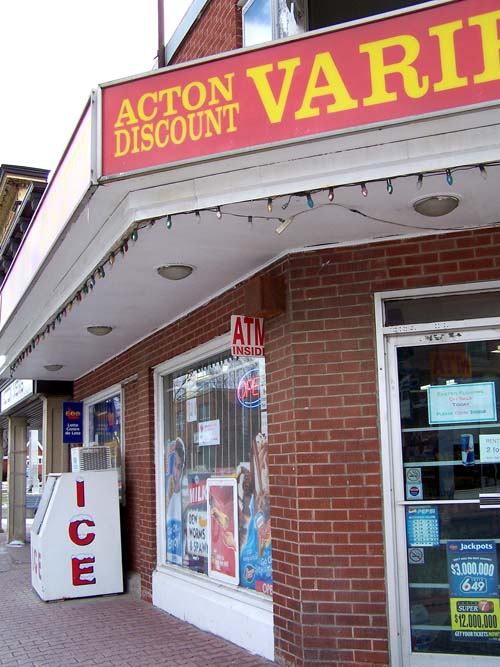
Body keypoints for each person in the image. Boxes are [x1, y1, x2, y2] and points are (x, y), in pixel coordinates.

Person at [166, 437, 185, 565]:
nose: (175, 472)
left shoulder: (185, 497)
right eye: (174, 466)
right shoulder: (169, 497)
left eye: (179, 467)